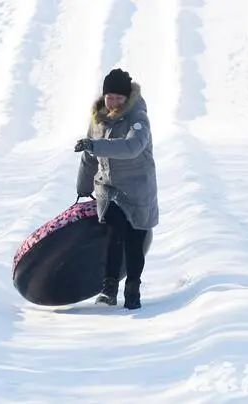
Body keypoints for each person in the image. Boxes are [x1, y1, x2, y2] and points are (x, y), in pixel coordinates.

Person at [74, 68, 158, 310]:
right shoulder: (98, 118)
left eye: (119, 98)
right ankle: (108, 288)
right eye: (109, 97)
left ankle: (133, 288)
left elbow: (132, 147)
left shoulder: (138, 118)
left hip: (137, 189)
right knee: (114, 231)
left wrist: (95, 145)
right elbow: (89, 156)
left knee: (134, 239)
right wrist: (83, 187)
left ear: (127, 97)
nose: (113, 102)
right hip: (109, 188)